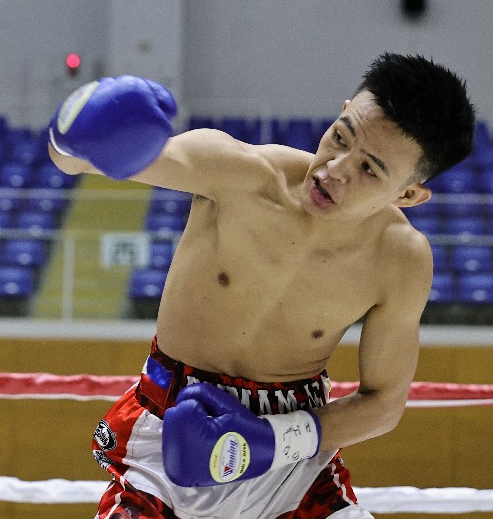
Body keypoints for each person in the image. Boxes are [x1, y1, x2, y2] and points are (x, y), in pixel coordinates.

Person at [47, 57, 475, 519]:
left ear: (408, 194)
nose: (334, 169)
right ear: (342, 111)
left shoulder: (401, 259)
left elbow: (384, 404)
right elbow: (74, 160)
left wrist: (273, 441)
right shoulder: (238, 173)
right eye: (340, 137)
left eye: (369, 170)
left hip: (294, 467)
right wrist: (75, 126)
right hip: (163, 443)